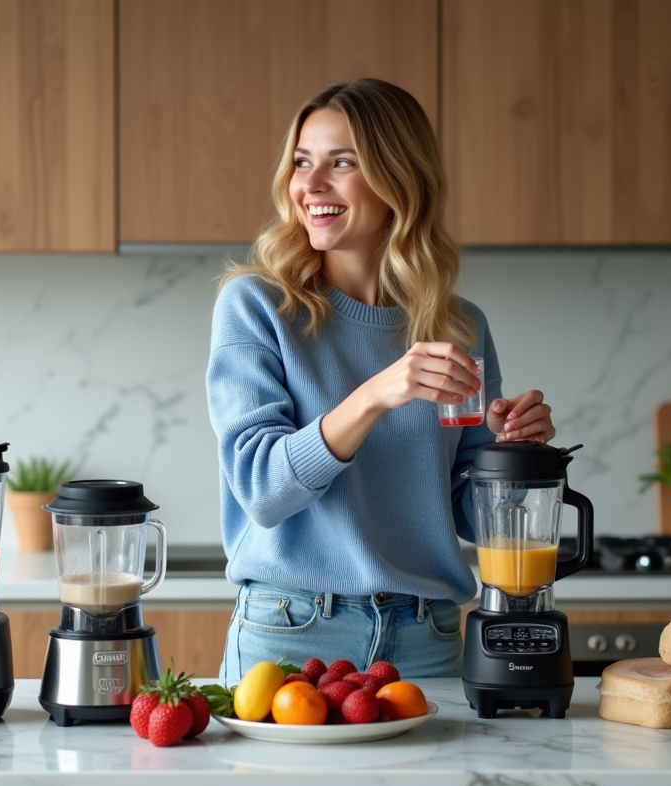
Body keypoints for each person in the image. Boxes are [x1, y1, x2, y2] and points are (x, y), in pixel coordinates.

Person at [206, 79, 555, 684]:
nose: (310, 185)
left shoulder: (459, 326)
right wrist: (375, 394)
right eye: (301, 162)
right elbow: (261, 489)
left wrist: (512, 459)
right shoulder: (257, 306)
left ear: (400, 179)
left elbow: (471, 516)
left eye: (341, 163)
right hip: (293, 634)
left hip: (429, 636)